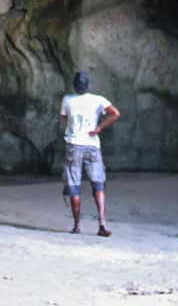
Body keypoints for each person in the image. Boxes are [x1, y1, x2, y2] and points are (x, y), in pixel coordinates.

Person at [59, 71, 121, 236]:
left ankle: (77, 226)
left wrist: (72, 128)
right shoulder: (98, 100)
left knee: (74, 186)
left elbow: (63, 118)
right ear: (88, 86)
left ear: (74, 85)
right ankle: (102, 224)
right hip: (93, 146)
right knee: (98, 184)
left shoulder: (67, 100)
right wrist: (99, 128)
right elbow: (115, 113)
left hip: (74, 145)